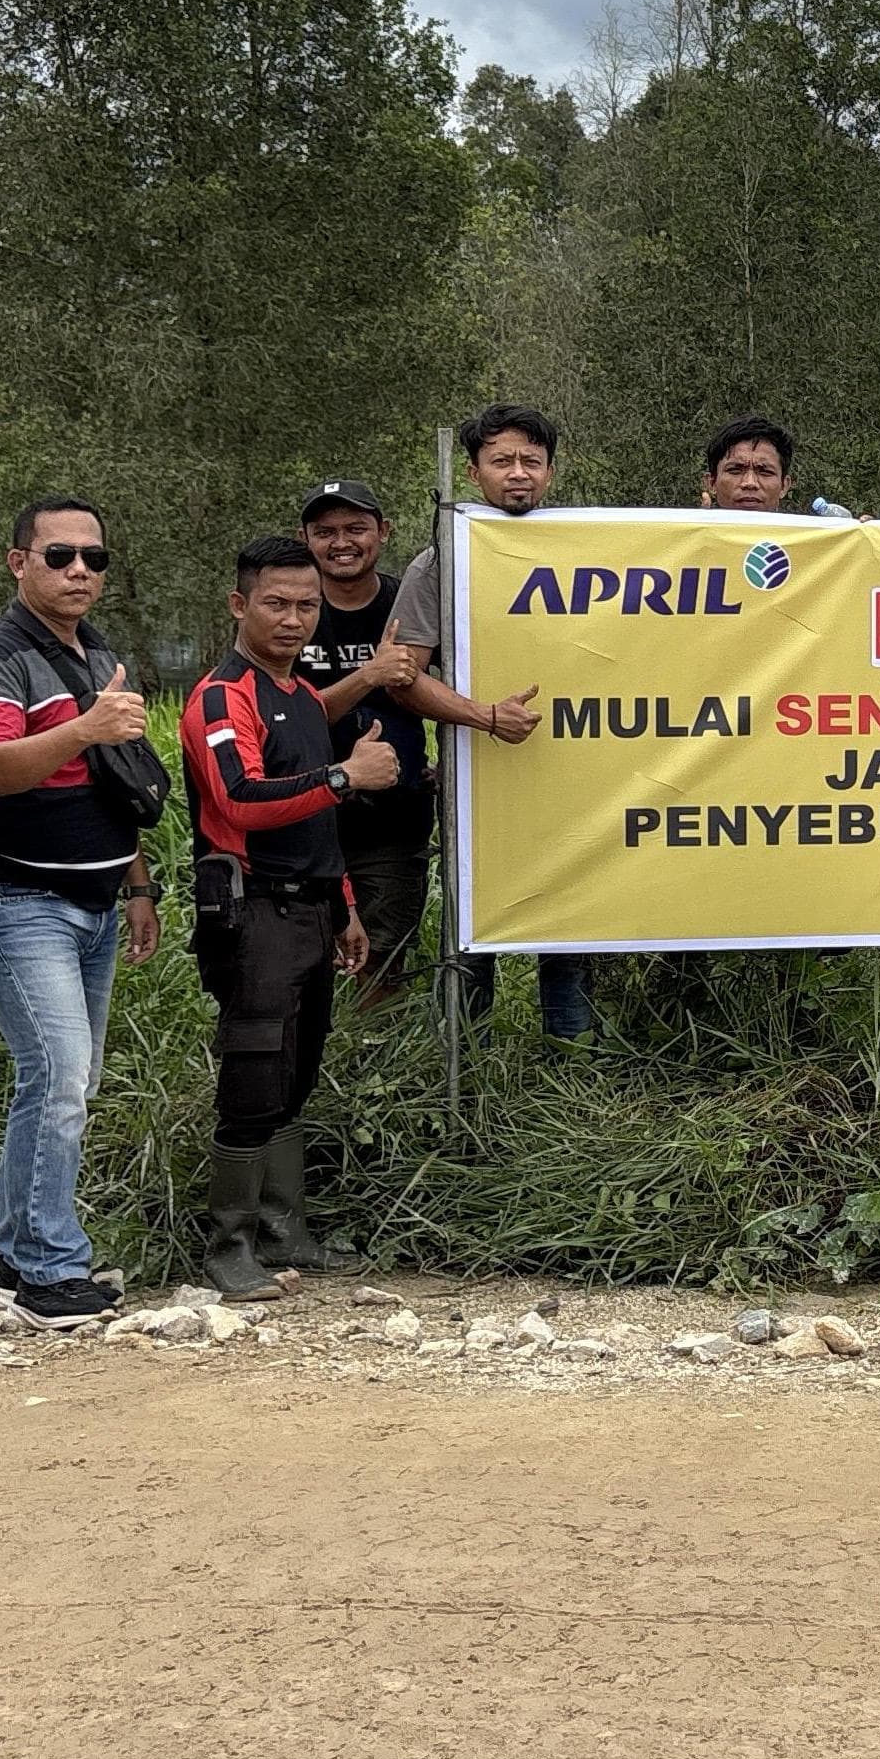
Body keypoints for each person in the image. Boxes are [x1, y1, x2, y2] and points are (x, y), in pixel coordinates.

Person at [0, 498, 161, 1331]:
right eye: (61, 555)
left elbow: (116, 776)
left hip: (98, 899)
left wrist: (139, 883)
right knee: (57, 1079)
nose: (80, 571)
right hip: (19, 898)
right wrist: (84, 727)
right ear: (18, 563)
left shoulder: (96, 651)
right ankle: (47, 1271)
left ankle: (20, 1260)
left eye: (95, 559)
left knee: (63, 1081)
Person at [181, 538, 398, 1297]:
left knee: (296, 1072)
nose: (294, 619)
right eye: (276, 603)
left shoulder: (303, 696)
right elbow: (239, 798)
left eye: (307, 606)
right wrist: (347, 773)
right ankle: (227, 1244)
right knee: (252, 1071)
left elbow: (316, 825)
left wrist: (344, 907)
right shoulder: (223, 694)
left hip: (312, 909)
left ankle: (284, 1231)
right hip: (251, 911)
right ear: (240, 605)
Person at [375, 403, 594, 1044]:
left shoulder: (591, 545)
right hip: (476, 782)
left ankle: (571, 1066)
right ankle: (468, 1072)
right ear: (473, 472)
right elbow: (403, 675)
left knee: (570, 924)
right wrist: (484, 718)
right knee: (473, 926)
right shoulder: (438, 563)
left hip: (578, 778)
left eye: (532, 461)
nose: (518, 474)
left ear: (552, 472)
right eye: (502, 461)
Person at [297, 481, 432, 1011]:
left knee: (384, 957)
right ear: (304, 538)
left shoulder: (412, 603)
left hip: (394, 820)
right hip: (303, 812)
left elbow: (458, 686)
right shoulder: (291, 610)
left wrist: (453, 761)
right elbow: (277, 720)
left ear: (383, 532)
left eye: (355, 529)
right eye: (325, 532)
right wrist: (369, 674)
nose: (341, 542)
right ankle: (308, 1064)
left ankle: (374, 1069)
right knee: (303, 957)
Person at [703, 413, 851, 518]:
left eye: (765, 472)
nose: (750, 483)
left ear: (784, 486)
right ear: (711, 483)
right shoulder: (685, 543)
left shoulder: (815, 543)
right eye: (735, 470)